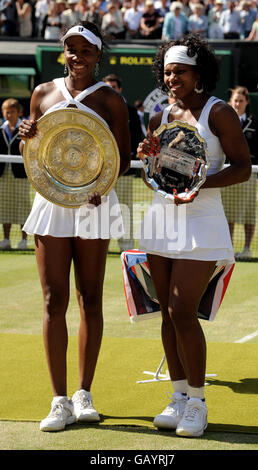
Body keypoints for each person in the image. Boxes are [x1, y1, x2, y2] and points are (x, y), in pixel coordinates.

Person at [18, 21, 131, 432]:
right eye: (71, 49)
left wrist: (103, 184)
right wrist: (25, 132)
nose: (77, 56)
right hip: (51, 201)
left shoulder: (111, 100)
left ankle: (84, 393)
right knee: (53, 299)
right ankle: (59, 400)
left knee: (90, 297)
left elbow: (120, 157)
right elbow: (36, 148)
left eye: (86, 50)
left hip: (94, 204)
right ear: (63, 52)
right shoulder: (43, 92)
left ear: (99, 55)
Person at [137, 35, 251, 438]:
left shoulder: (219, 112)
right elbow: (158, 168)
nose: (171, 78)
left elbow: (243, 167)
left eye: (179, 72)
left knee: (183, 311)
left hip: (202, 219)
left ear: (198, 72)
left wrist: (201, 186)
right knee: (166, 311)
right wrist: (148, 158)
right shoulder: (160, 115)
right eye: (167, 72)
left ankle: (198, 402)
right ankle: (178, 395)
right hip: (161, 219)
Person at [102, 73, 143, 251]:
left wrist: (127, 159)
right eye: (107, 87)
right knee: (98, 208)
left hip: (123, 169)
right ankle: (97, 244)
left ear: (120, 89)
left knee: (124, 207)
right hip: (99, 170)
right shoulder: (95, 110)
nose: (111, 90)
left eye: (114, 87)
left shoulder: (131, 111)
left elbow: (135, 137)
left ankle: (126, 245)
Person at [221, 86, 258, 259]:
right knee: (228, 213)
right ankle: (229, 248)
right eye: (235, 100)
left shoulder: (255, 123)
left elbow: (257, 150)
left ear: (247, 102)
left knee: (248, 213)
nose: (237, 104)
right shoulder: (223, 121)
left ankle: (247, 249)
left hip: (248, 173)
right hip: (227, 172)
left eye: (241, 101)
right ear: (231, 102)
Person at [0, 98, 30, 250]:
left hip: (21, 174)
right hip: (3, 174)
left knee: (22, 206)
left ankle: (24, 240)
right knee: (5, 206)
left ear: (19, 112)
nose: (9, 114)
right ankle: (5, 239)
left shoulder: (26, 129)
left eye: (12, 112)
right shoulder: (1, 129)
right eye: (6, 111)